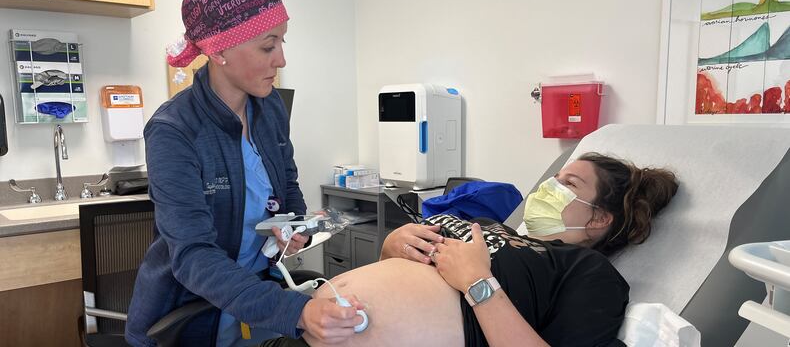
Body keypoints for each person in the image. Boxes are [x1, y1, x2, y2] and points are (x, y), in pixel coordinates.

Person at [125, 0, 364, 347]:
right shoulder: (174, 130)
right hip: (191, 318)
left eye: (282, 42)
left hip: (257, 304)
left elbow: (286, 185)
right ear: (219, 51)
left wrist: (294, 226)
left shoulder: (270, 109)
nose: (281, 59)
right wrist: (296, 312)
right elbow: (193, 256)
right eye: (268, 46)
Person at [260, 153, 679, 347]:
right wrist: (391, 247)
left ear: (599, 218)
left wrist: (480, 284)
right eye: (554, 178)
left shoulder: (586, 271)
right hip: (307, 332)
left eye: (568, 184)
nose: (548, 187)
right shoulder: (490, 225)